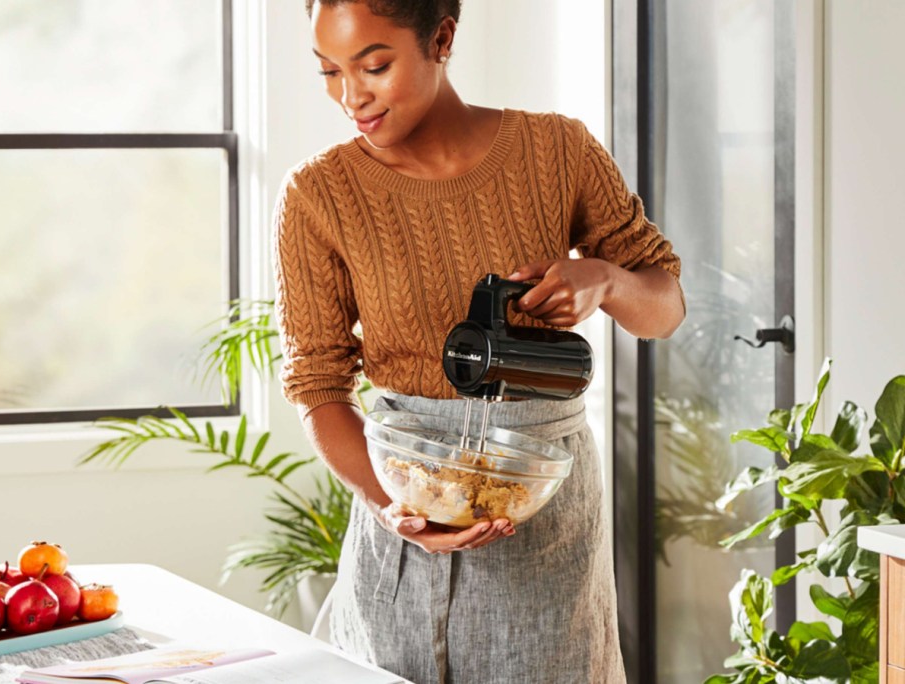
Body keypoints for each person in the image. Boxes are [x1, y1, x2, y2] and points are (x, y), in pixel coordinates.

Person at [272, 1, 685, 682]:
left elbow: (663, 309)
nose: (351, 97)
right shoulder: (319, 194)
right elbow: (316, 385)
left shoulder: (557, 151)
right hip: (404, 492)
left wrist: (606, 279)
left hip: (543, 510)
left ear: (442, 37)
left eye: (375, 66)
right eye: (329, 72)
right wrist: (394, 505)